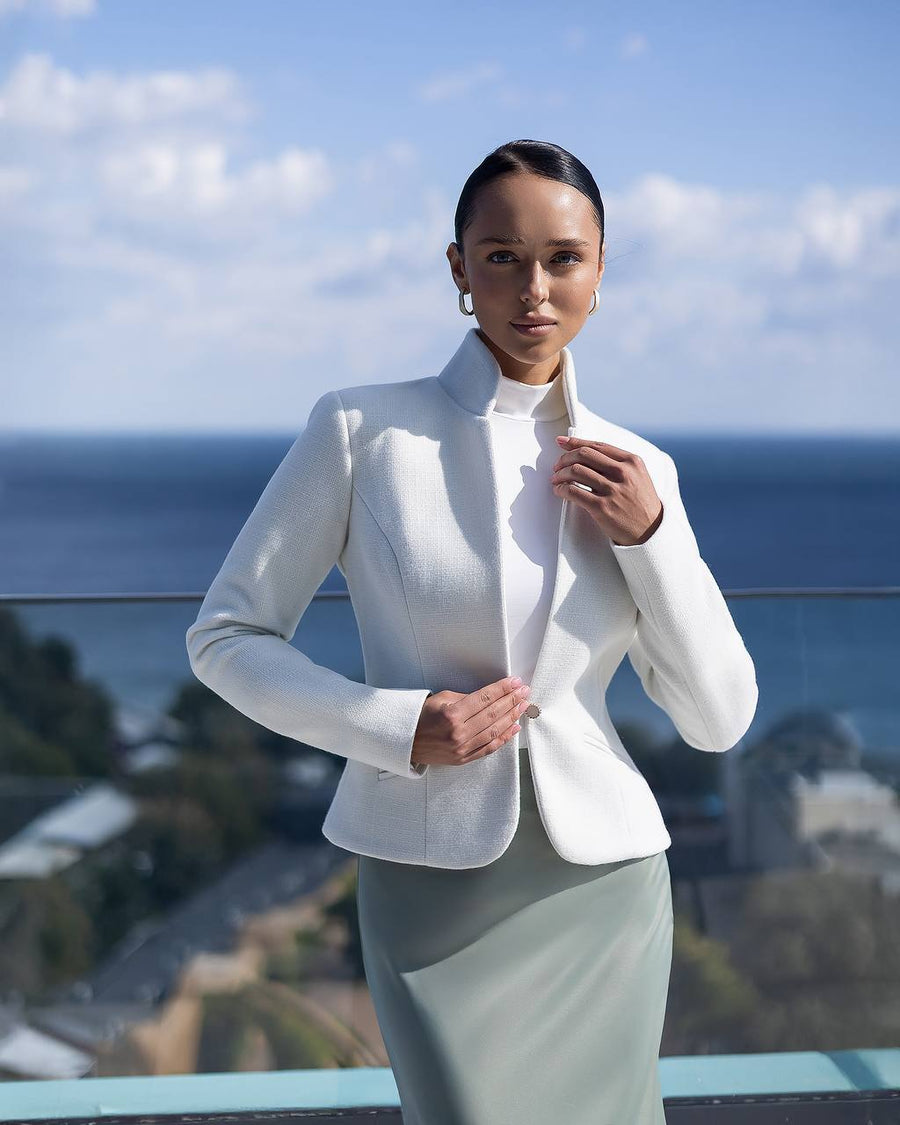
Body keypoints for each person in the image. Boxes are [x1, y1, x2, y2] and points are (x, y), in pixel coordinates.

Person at [186, 138, 758, 1125]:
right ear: (459, 269)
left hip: (606, 888)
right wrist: (399, 727)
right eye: (502, 257)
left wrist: (653, 538)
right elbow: (226, 638)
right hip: (428, 879)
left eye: (564, 258)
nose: (534, 288)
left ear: (601, 270)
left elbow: (718, 719)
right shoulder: (361, 432)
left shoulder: (640, 469)